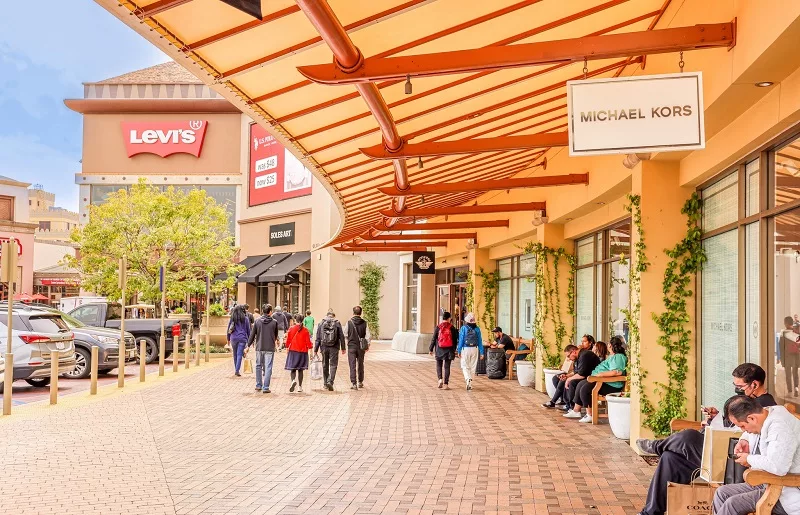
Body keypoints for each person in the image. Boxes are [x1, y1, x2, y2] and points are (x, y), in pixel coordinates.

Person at [636, 363, 778, 515]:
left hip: (732, 460)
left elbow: (742, 432)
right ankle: (650, 513)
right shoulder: (749, 401)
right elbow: (734, 427)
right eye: (734, 385)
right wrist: (716, 418)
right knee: (670, 458)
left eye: (740, 387)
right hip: (720, 450)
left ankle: (657, 446)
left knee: (689, 436)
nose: (737, 391)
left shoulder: (762, 406)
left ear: (754, 384)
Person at [712, 396, 800, 515]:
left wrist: (749, 459)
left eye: (742, 426)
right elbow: (755, 430)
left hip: (788, 490)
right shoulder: (766, 412)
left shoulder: (780, 426)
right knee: (722, 492)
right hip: (770, 483)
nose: (743, 430)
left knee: (732, 504)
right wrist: (744, 440)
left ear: (752, 418)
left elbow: (778, 467)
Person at [564, 337, 626, 423]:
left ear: (611, 346)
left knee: (585, 388)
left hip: (611, 384)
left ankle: (590, 414)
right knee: (581, 384)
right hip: (602, 380)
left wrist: (600, 375)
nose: (607, 345)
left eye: (608, 344)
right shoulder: (613, 356)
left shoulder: (618, 357)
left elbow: (617, 372)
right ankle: (576, 410)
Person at [562, 336, 601, 412]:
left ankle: (573, 407)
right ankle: (570, 405)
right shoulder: (579, 357)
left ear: (573, 351)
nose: (569, 358)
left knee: (572, 382)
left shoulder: (585, 355)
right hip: (588, 376)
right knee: (565, 381)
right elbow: (577, 372)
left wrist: (568, 379)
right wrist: (567, 376)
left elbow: (581, 374)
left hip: (593, 378)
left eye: (568, 356)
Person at [246, 303, 279, 393]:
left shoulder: (257, 321)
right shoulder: (274, 322)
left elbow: (252, 335)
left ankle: (258, 385)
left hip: (259, 347)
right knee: (268, 367)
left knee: (258, 366)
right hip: (269, 347)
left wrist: (248, 346)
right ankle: (266, 387)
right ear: (270, 312)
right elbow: (275, 335)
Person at [314, 310, 345, 391]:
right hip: (334, 347)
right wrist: (343, 348)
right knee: (333, 365)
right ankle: (330, 382)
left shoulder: (321, 323)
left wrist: (315, 349)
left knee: (325, 364)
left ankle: (325, 383)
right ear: (333, 316)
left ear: (326, 316)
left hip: (324, 347)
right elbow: (341, 336)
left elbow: (318, 337)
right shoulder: (337, 323)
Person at [541, 344, 579, 409]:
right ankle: (563, 400)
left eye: (584, 341)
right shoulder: (577, 357)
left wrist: (568, 377)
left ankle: (554, 401)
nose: (582, 343)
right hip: (572, 373)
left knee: (563, 381)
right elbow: (574, 370)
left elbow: (579, 372)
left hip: (579, 377)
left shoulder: (583, 356)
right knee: (556, 378)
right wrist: (566, 375)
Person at [344, 305, 371, 390]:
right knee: (360, 364)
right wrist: (367, 345)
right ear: (361, 313)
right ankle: (360, 382)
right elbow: (368, 336)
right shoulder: (364, 323)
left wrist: (348, 342)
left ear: (353, 313)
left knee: (352, 365)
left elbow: (345, 334)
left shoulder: (349, 322)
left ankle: (353, 383)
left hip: (351, 346)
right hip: (361, 347)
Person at [285, 313, 313, 393]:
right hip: (302, 352)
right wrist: (311, 351)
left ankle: (293, 380)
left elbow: (288, 340)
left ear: (295, 320)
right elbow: (308, 342)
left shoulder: (291, 328)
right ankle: (300, 387)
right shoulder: (305, 330)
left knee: (293, 369)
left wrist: (287, 347)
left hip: (293, 350)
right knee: (300, 370)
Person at [457, 312, 484, 391]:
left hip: (465, 349)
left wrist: (458, 350)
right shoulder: (477, 329)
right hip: (474, 349)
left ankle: (467, 378)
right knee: (473, 366)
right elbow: (480, 341)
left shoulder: (463, 328)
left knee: (465, 366)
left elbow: (461, 340)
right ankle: (470, 383)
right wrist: (482, 352)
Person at [430, 311, 458, 389]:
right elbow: (455, 340)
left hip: (439, 348)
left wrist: (431, 349)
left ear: (443, 318)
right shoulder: (452, 327)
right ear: (449, 318)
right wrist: (454, 349)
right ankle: (446, 384)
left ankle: (440, 379)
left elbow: (434, 338)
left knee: (439, 364)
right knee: (447, 367)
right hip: (449, 349)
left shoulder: (438, 327)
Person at [226, 305, 251, 377]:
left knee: (235, 354)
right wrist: (249, 341)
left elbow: (228, 329)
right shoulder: (245, 318)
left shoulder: (232, 318)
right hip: (242, 338)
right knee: (239, 354)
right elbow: (248, 330)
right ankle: (237, 370)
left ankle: (236, 369)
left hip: (233, 338)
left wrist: (228, 338)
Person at [780, 316, 800, 398]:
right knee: (795, 374)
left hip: (787, 356)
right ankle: (796, 389)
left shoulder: (783, 332)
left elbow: (781, 347)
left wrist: (781, 359)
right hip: (796, 356)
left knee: (788, 374)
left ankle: (789, 392)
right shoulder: (797, 331)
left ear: (785, 323)